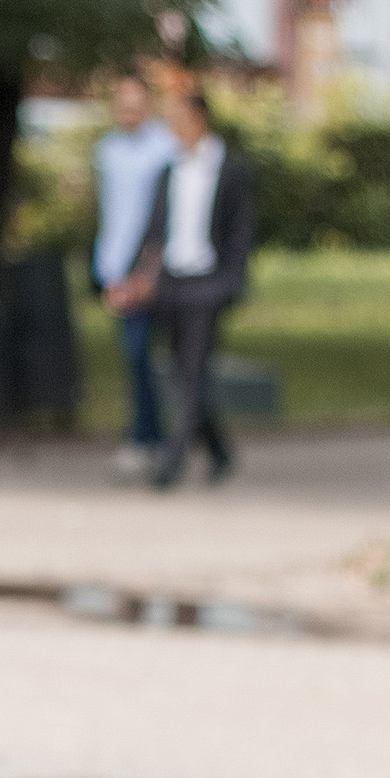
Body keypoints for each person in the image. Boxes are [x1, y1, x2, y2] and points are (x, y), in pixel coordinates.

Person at [108, 89, 258, 490]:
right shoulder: (168, 171)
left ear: (199, 119)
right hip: (171, 283)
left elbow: (241, 234)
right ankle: (220, 451)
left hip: (208, 284)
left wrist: (231, 284)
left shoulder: (231, 170)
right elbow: (153, 232)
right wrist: (134, 277)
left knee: (191, 371)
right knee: (182, 370)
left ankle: (170, 465)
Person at [93, 73, 180, 479]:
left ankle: (159, 436)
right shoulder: (107, 150)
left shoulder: (166, 148)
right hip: (118, 267)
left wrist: (147, 270)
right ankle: (149, 436)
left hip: (152, 266)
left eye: (135, 102)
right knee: (136, 354)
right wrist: (109, 271)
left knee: (154, 353)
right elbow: (112, 215)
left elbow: (164, 218)